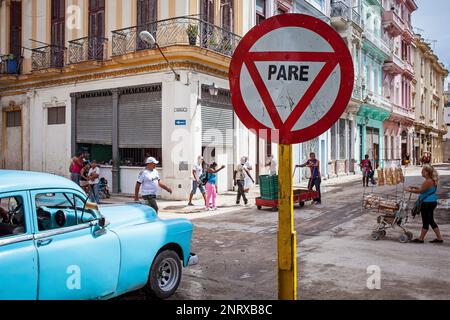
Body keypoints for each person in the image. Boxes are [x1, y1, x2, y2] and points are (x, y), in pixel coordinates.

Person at [406, 165, 443, 244]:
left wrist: (409, 190)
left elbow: (421, 191)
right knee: (431, 220)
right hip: (431, 201)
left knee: (426, 221)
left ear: (427, 172)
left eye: (423, 171)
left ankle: (421, 239)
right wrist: (415, 188)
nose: (421, 172)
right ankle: (439, 238)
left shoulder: (428, 181)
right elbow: (425, 190)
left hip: (427, 203)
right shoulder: (431, 180)